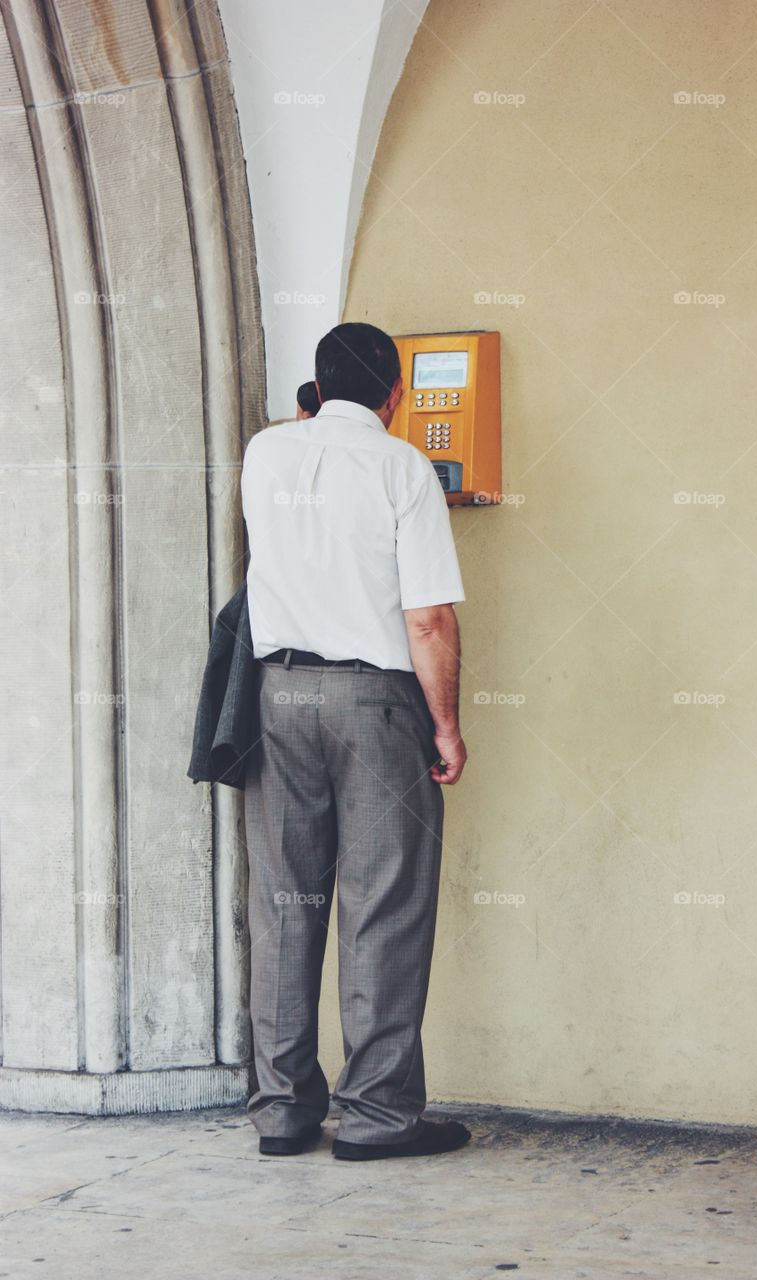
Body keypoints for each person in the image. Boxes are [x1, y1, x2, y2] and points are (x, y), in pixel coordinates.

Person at [240, 322, 470, 1161]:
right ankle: (376, 1116)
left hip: (277, 697)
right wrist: (445, 726)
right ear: (396, 394)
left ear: (314, 388)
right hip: (373, 704)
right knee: (382, 906)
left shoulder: (266, 452)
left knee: (285, 904)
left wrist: (309, 415)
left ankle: (282, 1111)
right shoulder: (401, 466)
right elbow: (428, 619)